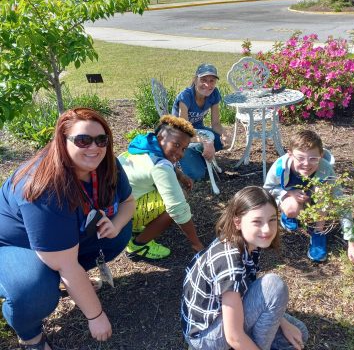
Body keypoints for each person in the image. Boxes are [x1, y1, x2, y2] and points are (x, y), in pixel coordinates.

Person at [0, 108, 135, 349]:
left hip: (58, 244)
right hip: (12, 245)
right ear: (62, 142)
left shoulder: (106, 164)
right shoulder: (45, 187)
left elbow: (128, 202)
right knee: (33, 290)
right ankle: (31, 336)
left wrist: (115, 225)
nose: (94, 148)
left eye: (101, 139)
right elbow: (66, 263)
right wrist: (95, 316)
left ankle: (67, 280)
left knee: (118, 233)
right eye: (83, 140)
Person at [182, 186, 308, 350]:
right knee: (274, 286)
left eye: (272, 220)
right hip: (206, 337)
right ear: (238, 222)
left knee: (299, 332)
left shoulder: (247, 242)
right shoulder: (229, 262)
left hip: (225, 317)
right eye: (257, 221)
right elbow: (234, 336)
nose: (267, 229)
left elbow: (246, 286)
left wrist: (283, 323)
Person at [263, 129, 354, 263]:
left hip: (313, 199)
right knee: (292, 209)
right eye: (300, 158)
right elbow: (268, 189)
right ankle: (289, 216)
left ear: (321, 155)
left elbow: (341, 201)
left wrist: (352, 243)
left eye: (313, 159)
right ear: (290, 154)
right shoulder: (280, 167)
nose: (306, 164)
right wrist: (288, 193)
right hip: (291, 197)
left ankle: (318, 232)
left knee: (322, 191)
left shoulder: (326, 169)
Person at [118, 115, 204, 260]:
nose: (180, 153)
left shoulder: (144, 143)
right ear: (160, 138)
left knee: (170, 190)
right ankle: (138, 245)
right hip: (122, 215)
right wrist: (196, 244)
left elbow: (159, 163)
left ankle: (135, 228)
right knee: (178, 199)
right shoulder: (160, 167)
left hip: (115, 208)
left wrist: (180, 175)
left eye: (184, 148)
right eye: (176, 145)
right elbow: (177, 209)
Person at [172, 63, 228, 181]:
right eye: (203, 80)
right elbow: (185, 131)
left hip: (198, 131)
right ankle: (181, 157)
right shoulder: (185, 97)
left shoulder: (214, 93)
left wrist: (224, 134)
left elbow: (216, 124)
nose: (208, 85)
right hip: (180, 138)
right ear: (195, 79)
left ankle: (198, 154)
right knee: (197, 175)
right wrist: (206, 141)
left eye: (212, 81)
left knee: (219, 141)